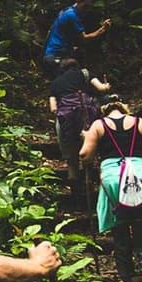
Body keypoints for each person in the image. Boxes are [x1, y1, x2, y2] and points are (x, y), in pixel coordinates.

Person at [79, 100, 142, 282]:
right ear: (124, 109)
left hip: (113, 182)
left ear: (106, 111)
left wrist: (86, 141)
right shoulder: (139, 122)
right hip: (141, 176)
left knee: (121, 237)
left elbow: (84, 155)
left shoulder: (98, 125)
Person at [47, 57, 109, 209]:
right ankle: (93, 193)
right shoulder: (85, 74)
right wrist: (107, 86)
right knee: (91, 156)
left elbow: (53, 108)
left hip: (67, 123)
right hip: (88, 118)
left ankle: (77, 200)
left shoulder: (56, 82)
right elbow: (101, 88)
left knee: (72, 161)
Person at [40, 0, 111, 75]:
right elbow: (84, 39)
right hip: (55, 57)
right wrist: (103, 29)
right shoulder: (72, 16)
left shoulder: (66, 10)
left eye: (89, 8)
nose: (86, 10)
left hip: (52, 55)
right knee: (75, 69)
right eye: (85, 6)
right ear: (78, 1)